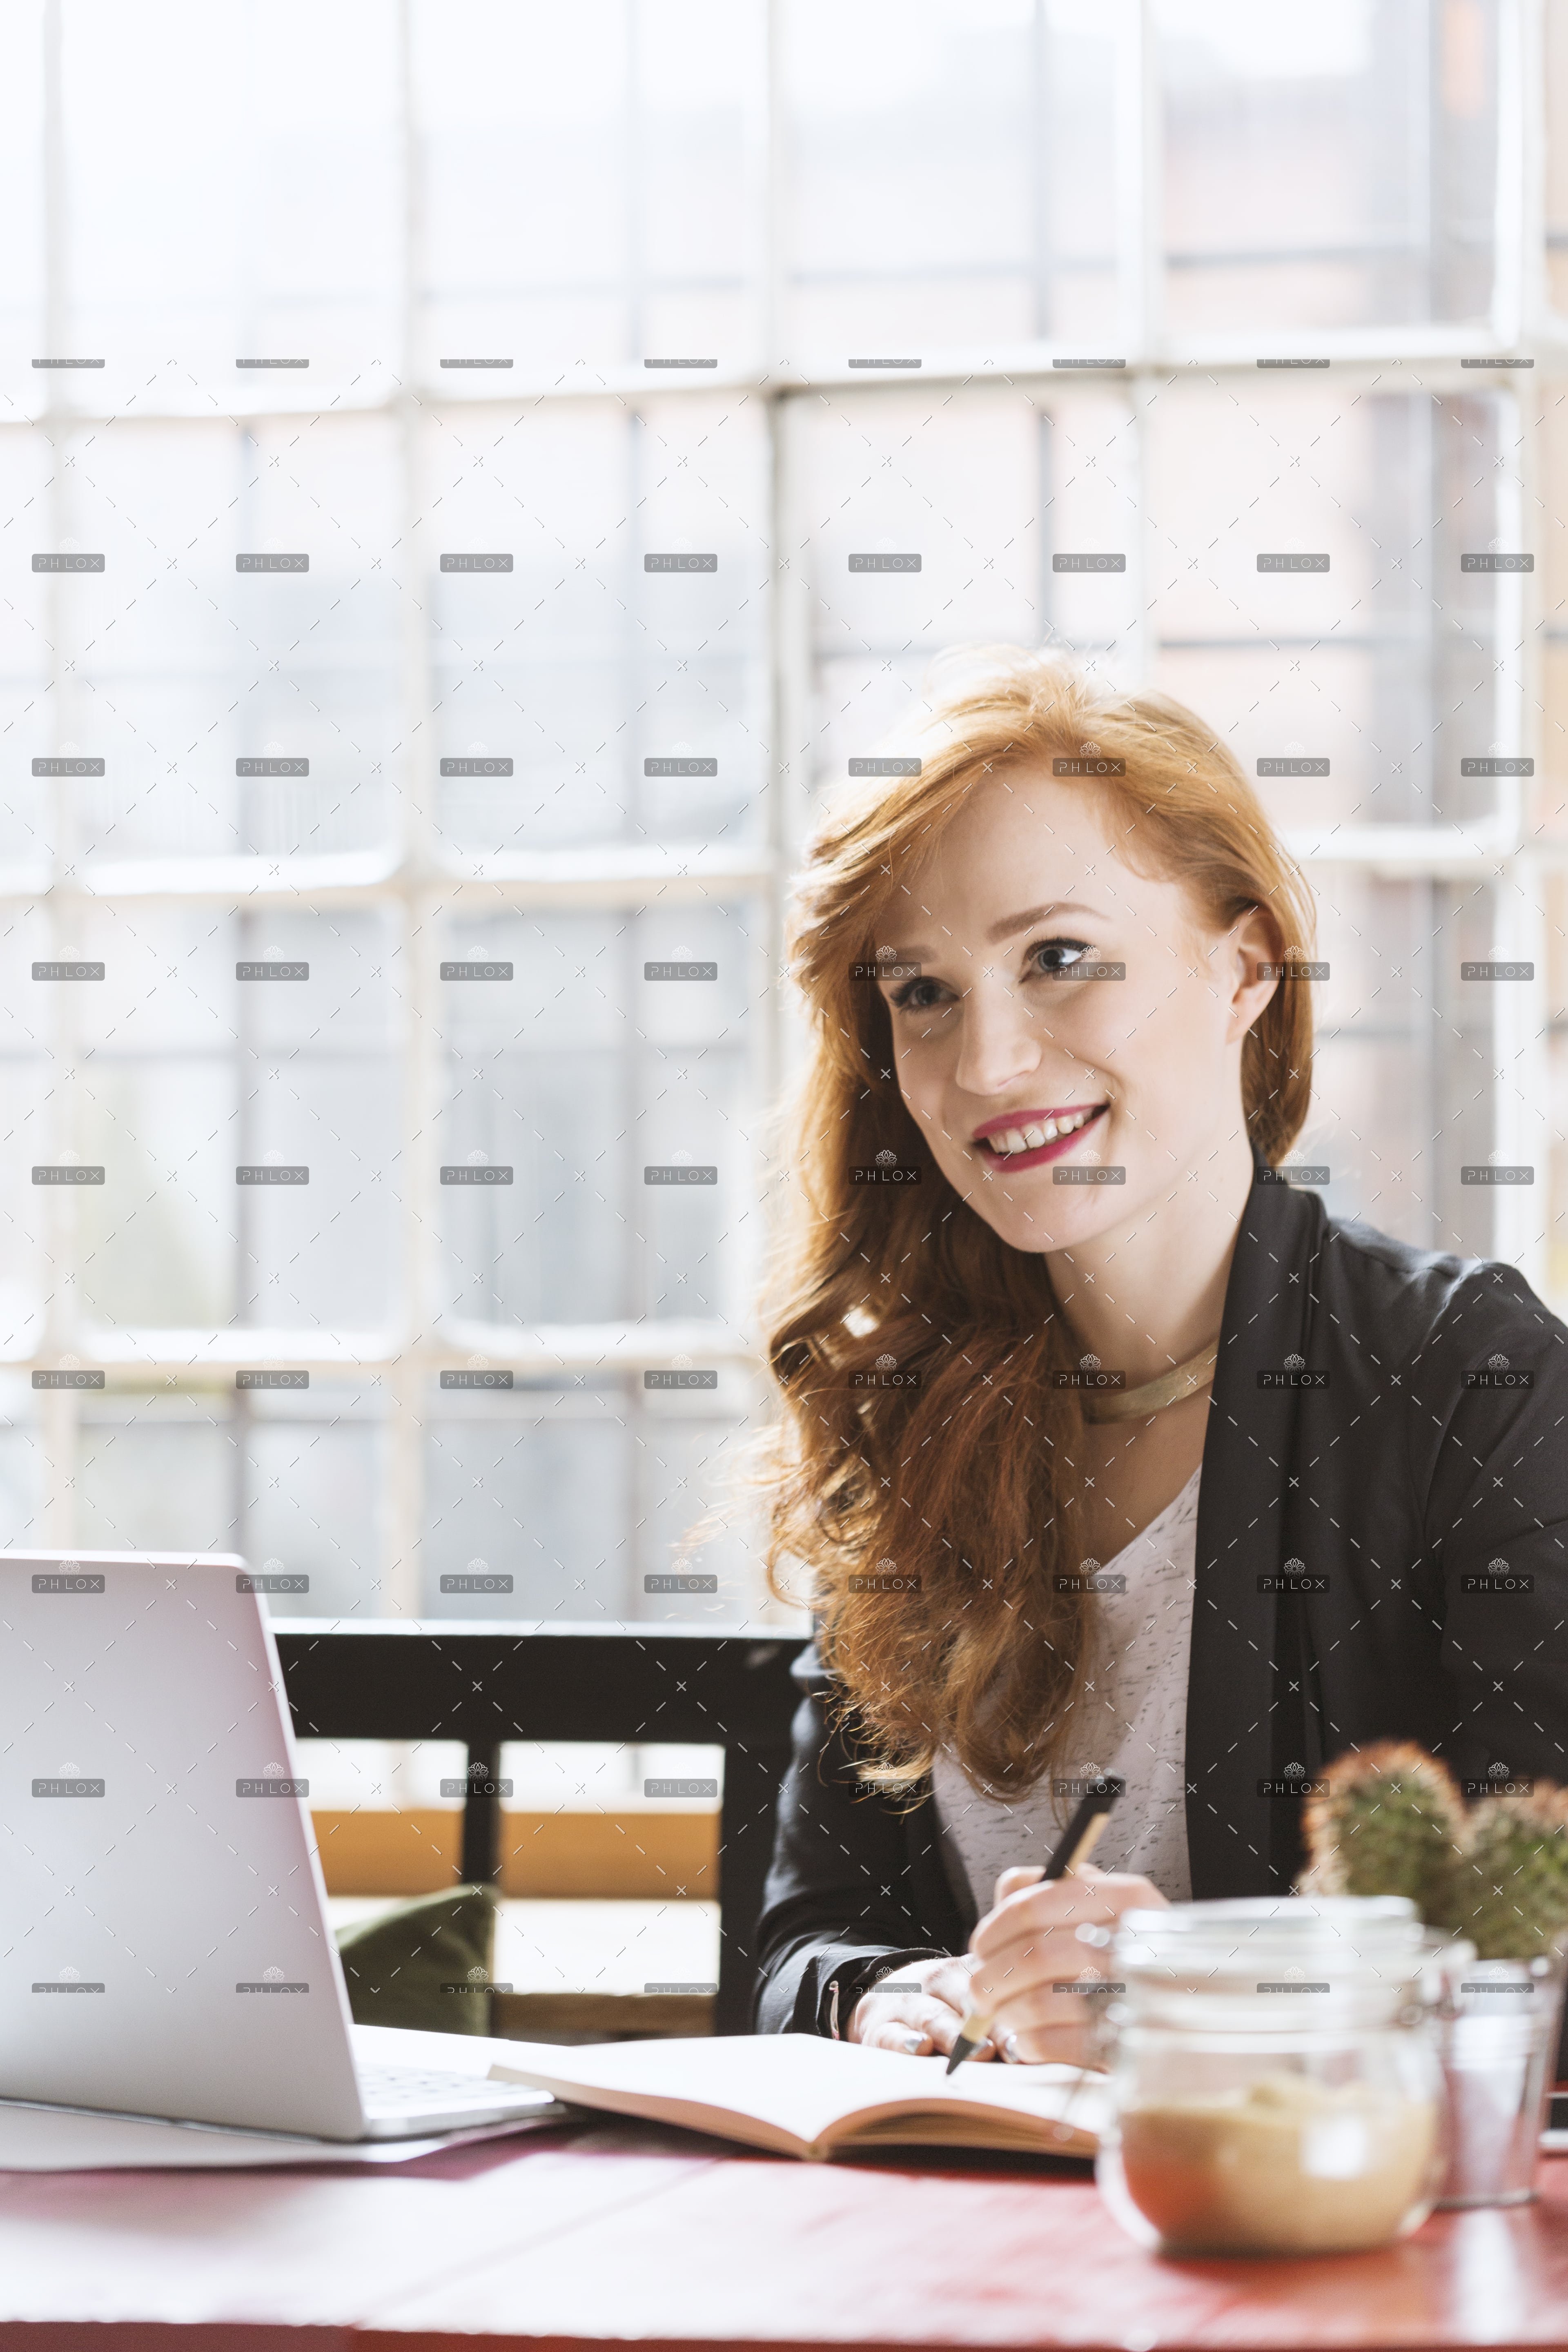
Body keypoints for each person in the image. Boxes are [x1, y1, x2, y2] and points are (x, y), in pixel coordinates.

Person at [746, 644, 1568, 2069]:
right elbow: (801, 1940)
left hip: (1339, 2244)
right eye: (922, 992)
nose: (988, 1064)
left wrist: (1196, 1990)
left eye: (1059, 958)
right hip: (974, 2245)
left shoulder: (1471, 1380)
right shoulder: (913, 1398)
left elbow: (1536, 1969)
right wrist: (883, 1995)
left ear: (1245, 967)